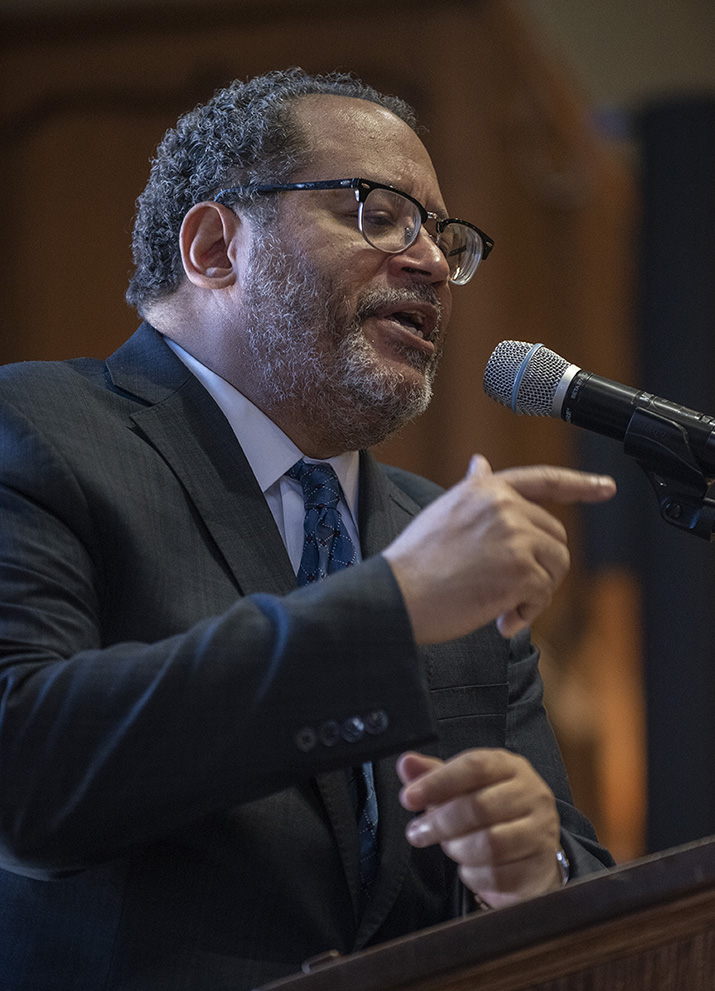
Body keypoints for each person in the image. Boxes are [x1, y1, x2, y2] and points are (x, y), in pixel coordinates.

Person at [0, 68, 616, 990]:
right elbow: (25, 775)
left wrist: (537, 872)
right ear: (214, 246)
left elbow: (580, 890)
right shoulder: (37, 430)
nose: (432, 264)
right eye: (376, 211)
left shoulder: (431, 529)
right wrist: (390, 607)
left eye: (445, 236)